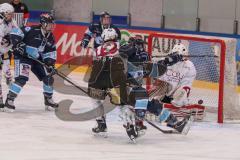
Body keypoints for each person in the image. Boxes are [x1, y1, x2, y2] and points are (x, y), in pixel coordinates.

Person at [1, 13, 58, 112]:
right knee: (22, 79)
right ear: (43, 24)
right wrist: (18, 44)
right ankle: (9, 100)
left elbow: (50, 52)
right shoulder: (31, 30)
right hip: (23, 58)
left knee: (48, 77)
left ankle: (48, 100)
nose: (51, 26)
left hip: (36, 58)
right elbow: (14, 33)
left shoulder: (50, 37)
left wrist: (50, 64)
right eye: (49, 24)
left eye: (52, 24)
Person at [88, 28, 127, 135]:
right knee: (121, 103)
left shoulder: (98, 49)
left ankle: (101, 123)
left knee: (95, 99)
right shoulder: (122, 47)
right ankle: (129, 124)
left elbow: (95, 66)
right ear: (116, 37)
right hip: (115, 79)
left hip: (100, 80)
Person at [0, 3, 18, 107]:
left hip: (5, 50)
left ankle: (7, 74)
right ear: (2, 13)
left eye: (12, 14)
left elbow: (18, 33)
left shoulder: (12, 22)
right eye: (9, 14)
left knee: (7, 69)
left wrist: (12, 38)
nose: (11, 16)